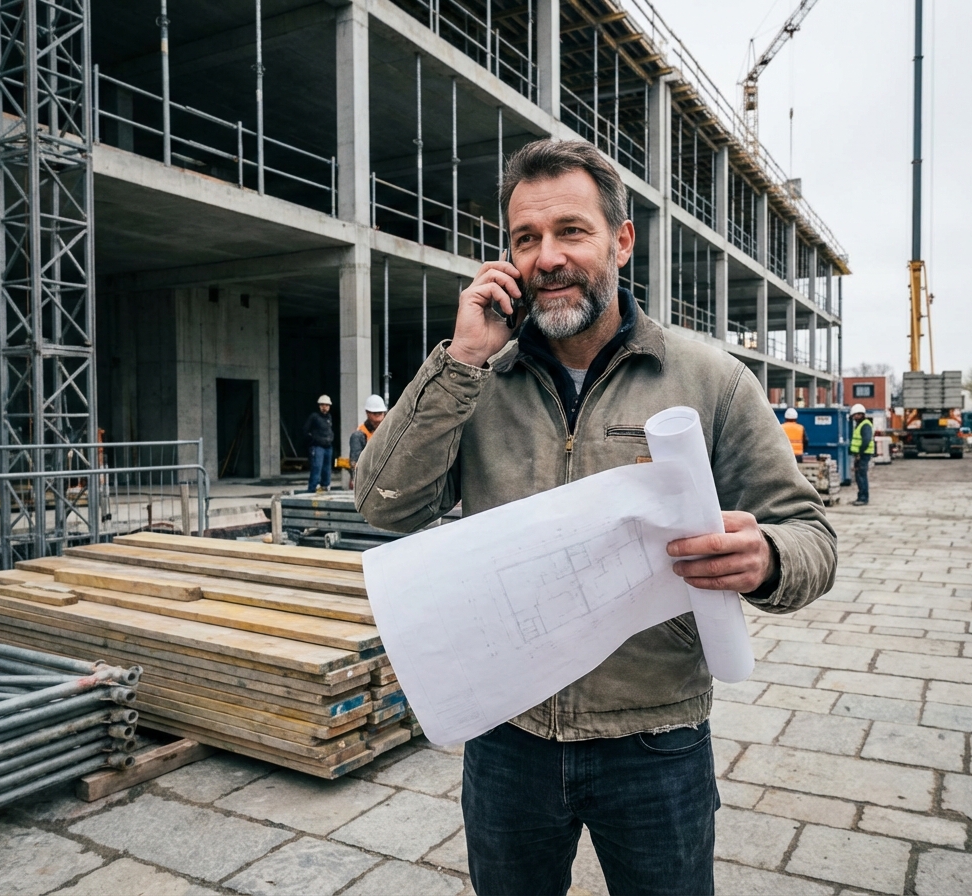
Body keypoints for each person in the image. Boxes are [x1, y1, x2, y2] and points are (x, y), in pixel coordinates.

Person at [357, 139, 837, 895]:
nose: (547, 256)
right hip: (507, 740)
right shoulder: (477, 377)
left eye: (570, 231)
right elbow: (383, 506)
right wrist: (460, 357)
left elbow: (813, 537)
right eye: (525, 238)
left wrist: (768, 556)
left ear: (621, 239)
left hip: (655, 740)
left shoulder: (709, 378)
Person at [348, 394, 388, 488]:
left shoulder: (388, 429)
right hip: (367, 473)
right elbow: (356, 461)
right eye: (375, 414)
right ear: (367, 413)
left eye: (380, 413)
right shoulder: (360, 434)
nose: (378, 418)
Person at [303, 395, 334, 494]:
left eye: (326, 405)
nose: (324, 407)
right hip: (317, 447)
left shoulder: (329, 417)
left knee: (327, 469)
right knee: (317, 468)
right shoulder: (314, 417)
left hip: (328, 446)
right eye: (322, 405)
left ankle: (325, 486)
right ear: (319, 406)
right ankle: (312, 489)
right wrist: (314, 440)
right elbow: (305, 430)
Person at [849, 403, 875, 506]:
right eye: (854, 415)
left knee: (861, 475)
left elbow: (866, 440)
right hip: (859, 454)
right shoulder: (860, 425)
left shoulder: (865, 425)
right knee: (858, 476)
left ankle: (864, 498)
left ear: (861, 414)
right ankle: (860, 496)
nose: (855, 417)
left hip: (863, 454)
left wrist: (860, 453)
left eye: (856, 415)